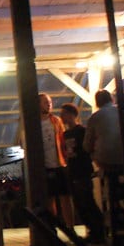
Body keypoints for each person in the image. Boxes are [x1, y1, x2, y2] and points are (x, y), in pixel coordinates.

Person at [60, 103, 105, 244]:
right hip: (73, 170)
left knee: (87, 201)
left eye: (64, 114)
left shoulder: (81, 131)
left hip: (82, 170)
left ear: (72, 115)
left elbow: (88, 148)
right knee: (80, 202)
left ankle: (98, 230)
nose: (61, 117)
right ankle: (93, 230)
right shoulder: (65, 134)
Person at [83, 89, 124, 173]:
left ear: (97, 103)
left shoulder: (94, 117)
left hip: (106, 160)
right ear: (112, 99)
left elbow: (87, 145)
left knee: (95, 156)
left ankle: (106, 180)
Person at [39, 93, 74, 226]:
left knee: (65, 196)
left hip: (59, 163)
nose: (49, 104)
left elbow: (63, 140)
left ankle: (70, 227)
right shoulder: (33, 123)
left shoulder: (56, 121)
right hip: (44, 165)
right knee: (49, 198)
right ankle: (51, 227)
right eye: (45, 102)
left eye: (50, 102)